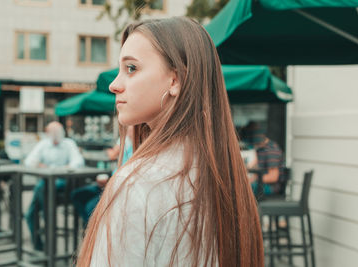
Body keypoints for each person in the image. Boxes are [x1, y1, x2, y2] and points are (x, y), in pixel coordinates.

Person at [76, 17, 263, 267]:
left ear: (175, 80)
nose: (114, 85)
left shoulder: (137, 183)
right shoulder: (224, 173)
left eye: (131, 68)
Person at [24, 121, 84, 251]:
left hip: (62, 182)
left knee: (41, 189)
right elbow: (29, 162)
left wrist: (61, 168)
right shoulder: (43, 144)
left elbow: (78, 161)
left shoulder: (69, 144)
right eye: (53, 133)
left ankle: (48, 220)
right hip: (45, 183)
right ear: (47, 133)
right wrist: (41, 165)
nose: (56, 135)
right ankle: (40, 242)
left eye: (58, 132)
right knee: (30, 215)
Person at [71, 126, 133, 226]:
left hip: (117, 187)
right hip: (109, 184)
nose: (129, 130)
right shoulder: (126, 141)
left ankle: (94, 233)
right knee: (77, 195)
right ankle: (89, 230)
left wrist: (109, 181)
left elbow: (113, 155)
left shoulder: (139, 147)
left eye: (132, 128)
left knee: (90, 207)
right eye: (129, 128)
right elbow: (113, 154)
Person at [242, 121, 285, 196]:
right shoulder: (260, 149)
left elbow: (273, 177)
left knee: (242, 188)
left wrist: (250, 180)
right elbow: (254, 168)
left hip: (271, 187)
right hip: (261, 183)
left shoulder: (271, 149)